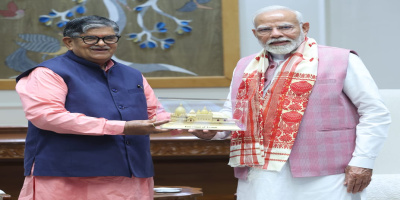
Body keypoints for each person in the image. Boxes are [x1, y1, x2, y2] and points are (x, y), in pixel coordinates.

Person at [190, 5, 391, 200]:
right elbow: (233, 113)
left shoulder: (340, 59)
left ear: (304, 28)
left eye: (285, 27)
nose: (275, 34)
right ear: (255, 33)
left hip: (327, 173)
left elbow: (374, 112)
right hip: (260, 172)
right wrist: (214, 132)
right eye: (265, 29)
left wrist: (363, 161)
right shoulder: (245, 66)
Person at [16, 15, 173, 200]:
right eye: (90, 38)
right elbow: (47, 117)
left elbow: (156, 115)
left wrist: (197, 127)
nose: (101, 43)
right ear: (69, 42)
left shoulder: (133, 75)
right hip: (67, 178)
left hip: (130, 178)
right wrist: (122, 127)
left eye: (109, 38)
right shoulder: (48, 73)